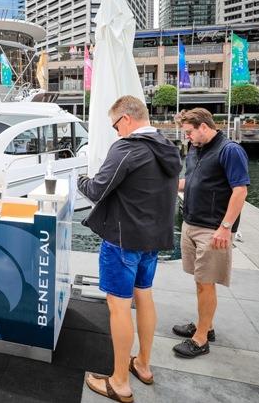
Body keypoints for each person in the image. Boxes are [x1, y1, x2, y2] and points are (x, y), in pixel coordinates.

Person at [78, 95, 182, 402]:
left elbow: (97, 189)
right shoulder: (167, 147)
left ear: (126, 119)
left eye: (114, 125)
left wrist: (81, 179)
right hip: (153, 240)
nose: (115, 132)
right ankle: (144, 365)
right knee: (145, 298)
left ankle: (120, 382)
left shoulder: (127, 148)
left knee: (118, 306)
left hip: (123, 240)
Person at [173, 108, 249, 359]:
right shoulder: (196, 149)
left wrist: (225, 228)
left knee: (206, 284)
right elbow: (190, 182)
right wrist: (166, 184)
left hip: (212, 229)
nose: (187, 138)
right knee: (199, 281)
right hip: (192, 223)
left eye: (189, 133)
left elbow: (240, 191)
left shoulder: (230, 150)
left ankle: (201, 339)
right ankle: (207, 325)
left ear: (203, 126)